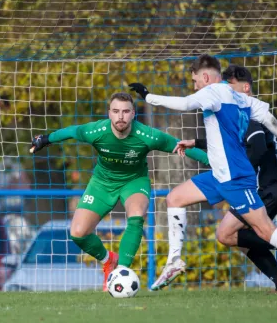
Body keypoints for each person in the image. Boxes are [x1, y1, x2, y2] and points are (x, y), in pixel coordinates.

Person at [130, 54, 277, 296]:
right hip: (220, 173)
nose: (195, 87)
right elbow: (270, 120)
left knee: (265, 230)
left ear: (205, 77)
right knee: (175, 198)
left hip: (236, 177)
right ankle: (174, 261)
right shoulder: (243, 99)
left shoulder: (212, 91)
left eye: (195, 82)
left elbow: (185, 104)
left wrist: (148, 96)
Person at [30, 92, 210, 291]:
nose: (120, 116)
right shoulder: (96, 131)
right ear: (109, 114)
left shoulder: (148, 136)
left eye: (125, 111)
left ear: (133, 113)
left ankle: (119, 274)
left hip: (134, 181)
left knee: (136, 216)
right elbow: (73, 131)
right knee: (78, 233)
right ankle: (109, 261)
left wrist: (212, 161)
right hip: (102, 183)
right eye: (116, 111)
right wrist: (45, 139)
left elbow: (179, 146)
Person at [169, 64, 277, 293]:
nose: (225, 91)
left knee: (231, 234)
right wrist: (198, 143)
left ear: (245, 87)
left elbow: (256, 147)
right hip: (274, 185)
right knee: (235, 236)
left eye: (229, 86)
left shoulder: (248, 113)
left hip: (264, 186)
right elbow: (236, 143)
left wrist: (236, 180)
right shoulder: (246, 113)